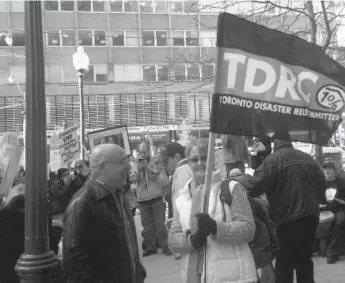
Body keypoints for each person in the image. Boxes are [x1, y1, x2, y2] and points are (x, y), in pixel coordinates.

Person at [168, 138, 257, 283]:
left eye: (204, 158)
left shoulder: (232, 188)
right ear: (188, 163)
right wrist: (190, 241)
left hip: (232, 277)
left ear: (213, 160)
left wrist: (216, 228)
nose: (199, 163)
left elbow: (248, 229)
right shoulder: (182, 199)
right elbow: (173, 239)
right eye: (194, 159)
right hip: (194, 276)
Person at [242, 139, 327, 283]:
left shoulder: (272, 160)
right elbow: (322, 185)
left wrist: (240, 180)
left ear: (275, 142)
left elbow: (254, 186)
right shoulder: (307, 158)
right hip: (310, 215)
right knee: (304, 259)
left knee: (284, 262)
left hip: (287, 216)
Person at [63, 144, 146, 283]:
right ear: (102, 167)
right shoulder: (81, 203)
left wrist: (138, 273)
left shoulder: (119, 194)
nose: (129, 167)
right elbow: (75, 262)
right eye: (122, 163)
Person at [132, 143, 172, 257]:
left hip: (156, 196)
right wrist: (139, 170)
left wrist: (147, 167)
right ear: (138, 152)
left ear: (148, 151)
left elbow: (157, 174)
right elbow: (134, 179)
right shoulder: (135, 163)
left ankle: (165, 246)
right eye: (141, 152)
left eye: (145, 152)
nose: (143, 155)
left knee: (159, 224)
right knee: (147, 226)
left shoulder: (156, 161)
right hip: (142, 198)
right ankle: (151, 247)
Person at [321, 161, 345, 264]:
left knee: (338, 222)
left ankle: (331, 252)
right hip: (324, 209)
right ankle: (330, 252)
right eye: (325, 171)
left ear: (334, 171)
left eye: (329, 171)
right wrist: (318, 205)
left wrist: (337, 200)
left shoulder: (341, 182)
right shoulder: (320, 183)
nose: (327, 173)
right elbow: (314, 198)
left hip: (338, 209)